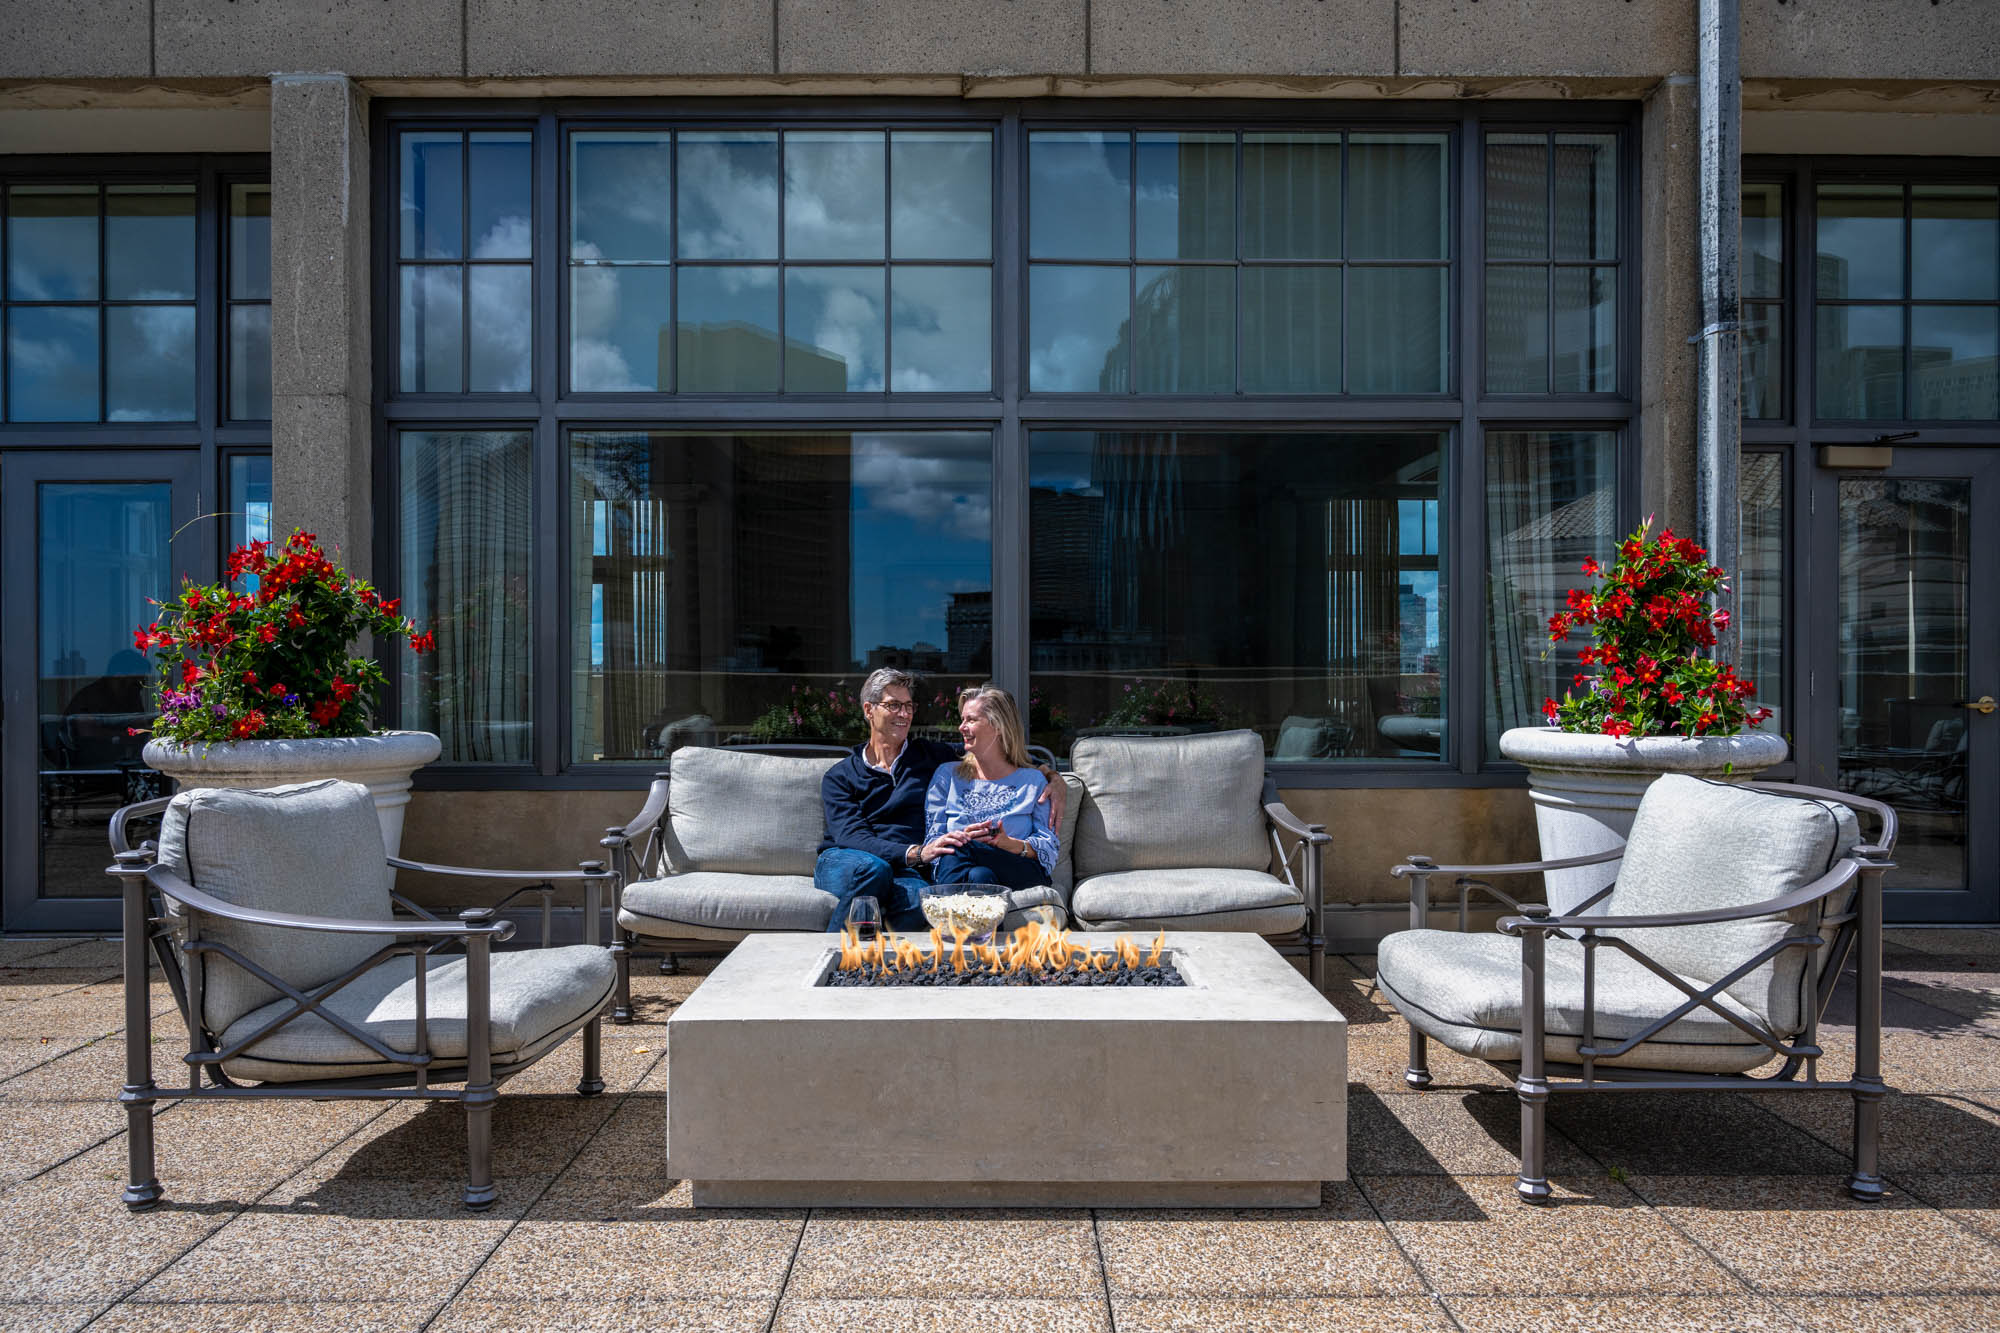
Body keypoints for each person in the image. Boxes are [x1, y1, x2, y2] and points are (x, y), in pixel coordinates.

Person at [815, 668, 1063, 933]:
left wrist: (1052, 776)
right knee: (874, 870)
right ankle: (833, 952)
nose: (905, 714)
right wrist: (916, 853)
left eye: (909, 705)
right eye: (894, 705)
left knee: (917, 902)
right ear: (868, 710)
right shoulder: (840, 776)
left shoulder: (929, 757)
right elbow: (852, 837)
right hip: (848, 860)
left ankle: (890, 965)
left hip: (905, 870)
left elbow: (995, 753)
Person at [919, 684, 1057, 894]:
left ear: (999, 726)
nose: (961, 727)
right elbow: (933, 840)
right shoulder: (947, 776)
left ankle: (943, 907)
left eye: (971, 720)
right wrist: (961, 836)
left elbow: (1049, 849)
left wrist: (1007, 843)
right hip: (964, 869)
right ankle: (982, 926)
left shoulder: (1033, 780)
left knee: (960, 845)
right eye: (962, 719)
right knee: (980, 876)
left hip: (1019, 869)